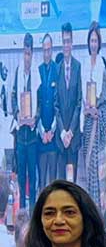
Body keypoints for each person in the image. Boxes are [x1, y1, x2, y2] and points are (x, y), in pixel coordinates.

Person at [78, 21, 106, 213]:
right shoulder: (83, 64)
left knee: (98, 167)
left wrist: (98, 110)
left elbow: (104, 96)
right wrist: (87, 109)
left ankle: (99, 209)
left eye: (96, 40)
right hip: (87, 120)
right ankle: (89, 207)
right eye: (91, 40)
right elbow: (81, 95)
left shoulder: (102, 65)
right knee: (88, 164)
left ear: (99, 43)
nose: (93, 44)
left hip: (98, 122)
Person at [11, 33, 40, 211]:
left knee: (33, 178)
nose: (26, 57)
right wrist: (18, 115)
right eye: (24, 53)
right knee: (21, 177)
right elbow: (13, 97)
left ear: (32, 53)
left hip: (33, 137)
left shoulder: (36, 73)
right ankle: (21, 213)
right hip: (21, 137)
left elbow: (40, 103)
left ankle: (33, 213)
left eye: (29, 53)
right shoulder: (17, 71)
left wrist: (34, 119)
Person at [55, 23, 82, 182]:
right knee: (62, 184)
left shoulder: (78, 67)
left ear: (72, 43)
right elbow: (56, 105)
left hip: (73, 137)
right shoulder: (57, 69)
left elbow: (79, 102)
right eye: (64, 41)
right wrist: (62, 132)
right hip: (61, 138)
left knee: (73, 183)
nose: (66, 45)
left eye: (68, 41)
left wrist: (70, 131)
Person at [36, 34, 60, 191]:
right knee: (42, 184)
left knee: (53, 182)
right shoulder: (37, 71)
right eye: (44, 50)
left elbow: (59, 105)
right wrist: (42, 131)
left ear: (52, 50)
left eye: (49, 50)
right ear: (42, 51)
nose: (46, 53)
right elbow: (35, 105)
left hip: (53, 135)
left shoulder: (57, 71)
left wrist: (51, 131)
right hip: (40, 135)